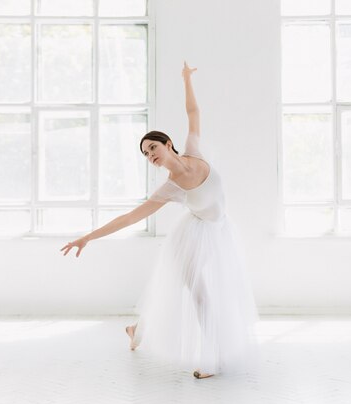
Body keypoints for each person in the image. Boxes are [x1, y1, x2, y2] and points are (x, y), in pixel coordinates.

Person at [61, 61, 261, 379]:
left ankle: (135, 330)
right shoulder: (168, 189)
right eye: (145, 154)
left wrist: (186, 79)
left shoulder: (195, 151)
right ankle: (212, 358)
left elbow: (193, 113)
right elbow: (128, 218)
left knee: (190, 290)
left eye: (152, 147)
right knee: (200, 293)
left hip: (220, 230)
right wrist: (88, 237)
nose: (150, 154)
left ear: (168, 144)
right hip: (192, 239)